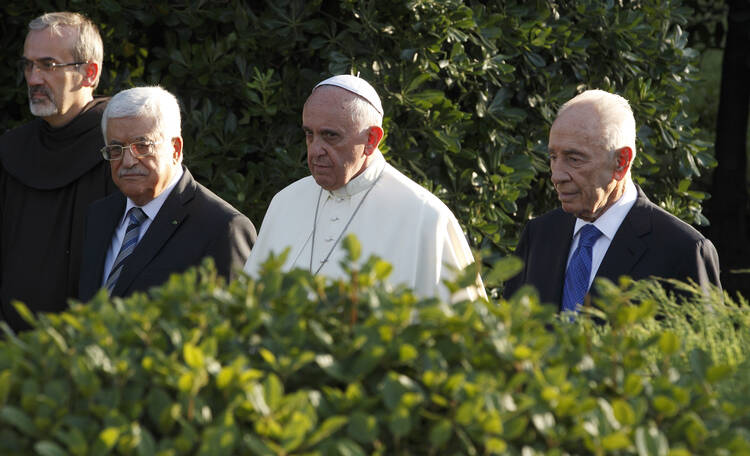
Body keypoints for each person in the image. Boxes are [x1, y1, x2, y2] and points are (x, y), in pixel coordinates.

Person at [244, 75, 484, 301]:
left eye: (330, 136)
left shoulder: (427, 217)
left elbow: (465, 330)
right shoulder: (286, 202)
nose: (315, 150)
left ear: (371, 140)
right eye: (310, 134)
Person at [503, 89, 721, 312]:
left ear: (621, 162)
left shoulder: (683, 250)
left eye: (574, 159)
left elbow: (704, 344)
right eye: (553, 157)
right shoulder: (539, 235)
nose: (557, 175)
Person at [78, 86, 256, 301]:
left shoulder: (222, 227)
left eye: (142, 145)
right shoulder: (99, 215)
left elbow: (232, 325)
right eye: (116, 149)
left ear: (175, 149)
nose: (128, 161)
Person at [0, 12, 114, 331]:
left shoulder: (120, 151)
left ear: (89, 73)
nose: (34, 79)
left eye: (48, 65)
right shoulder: (11, 150)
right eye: (28, 65)